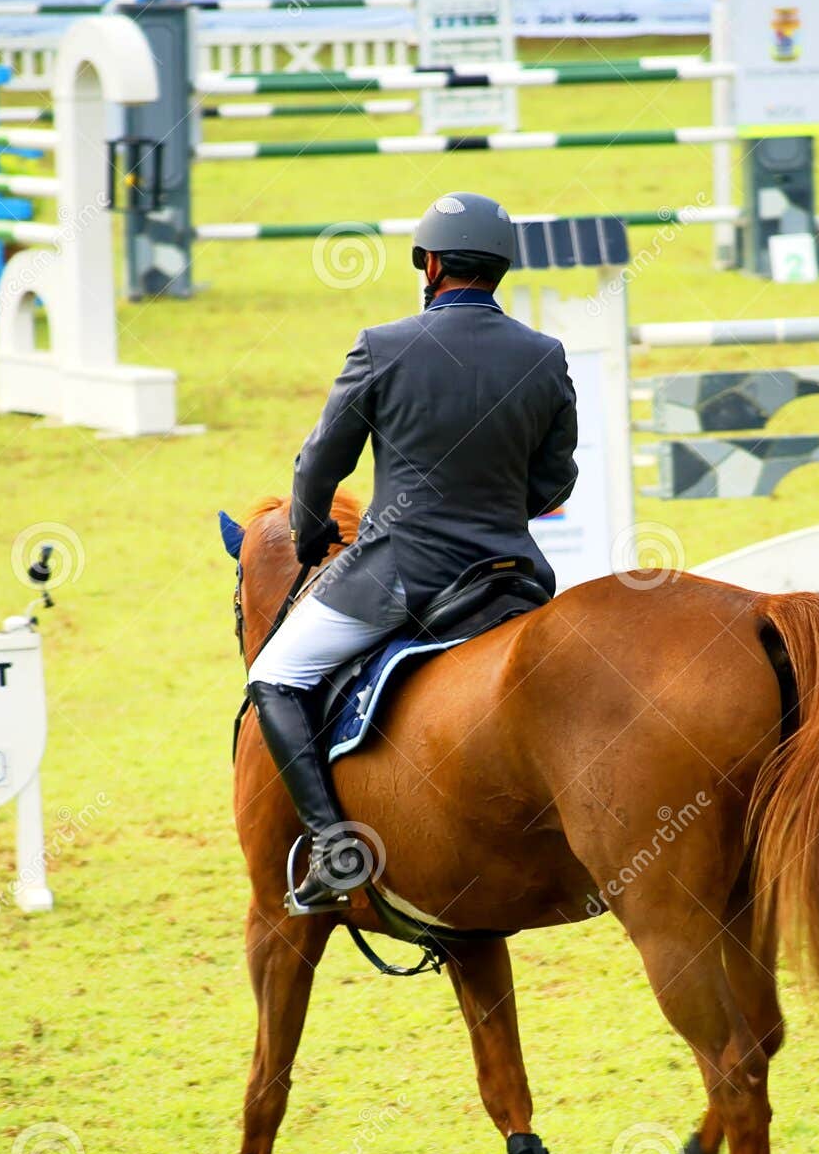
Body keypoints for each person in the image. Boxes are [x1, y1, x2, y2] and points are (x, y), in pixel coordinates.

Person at [247, 191, 579, 911]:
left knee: (275, 675)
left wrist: (309, 534)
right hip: (510, 580)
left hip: (401, 577)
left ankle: (335, 846)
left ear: (428, 264)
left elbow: (316, 466)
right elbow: (555, 482)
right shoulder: (543, 355)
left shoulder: (383, 345)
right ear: (498, 271)